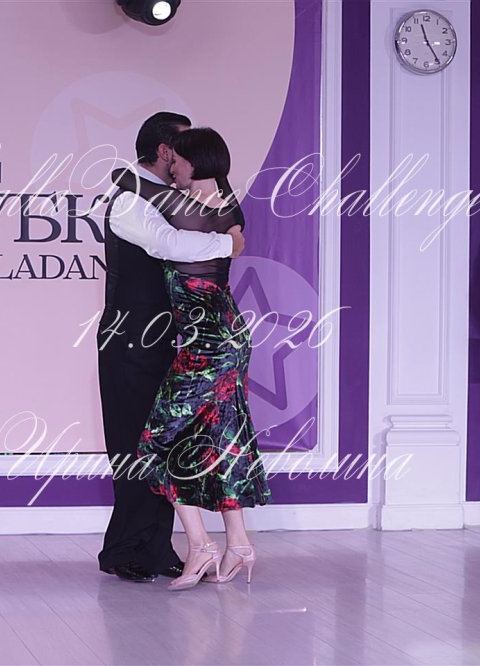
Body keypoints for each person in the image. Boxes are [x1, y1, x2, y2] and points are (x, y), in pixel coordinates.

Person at [120, 127, 270, 591]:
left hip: (209, 343)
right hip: (225, 336)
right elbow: (226, 234)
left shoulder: (184, 207)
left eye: (178, 162)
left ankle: (201, 545)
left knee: (156, 444)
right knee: (218, 438)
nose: (173, 170)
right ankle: (238, 543)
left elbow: (133, 192)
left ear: (195, 162)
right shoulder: (226, 205)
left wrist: (126, 177)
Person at [97, 113, 245, 583]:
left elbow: (218, 209)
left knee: (164, 442)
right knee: (135, 443)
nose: (188, 155)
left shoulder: (170, 195)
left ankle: (156, 548)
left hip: (166, 338)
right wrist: (228, 244)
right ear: (165, 151)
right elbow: (167, 245)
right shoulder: (129, 199)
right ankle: (128, 550)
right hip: (129, 338)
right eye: (183, 147)